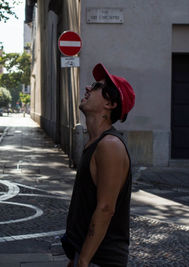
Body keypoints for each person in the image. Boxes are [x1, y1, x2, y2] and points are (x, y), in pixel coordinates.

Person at [61, 63, 136, 267]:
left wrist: (84, 259)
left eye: (95, 87)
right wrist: (76, 256)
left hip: (102, 259)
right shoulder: (95, 143)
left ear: (110, 103)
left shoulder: (110, 146)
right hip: (87, 254)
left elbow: (105, 208)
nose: (87, 88)